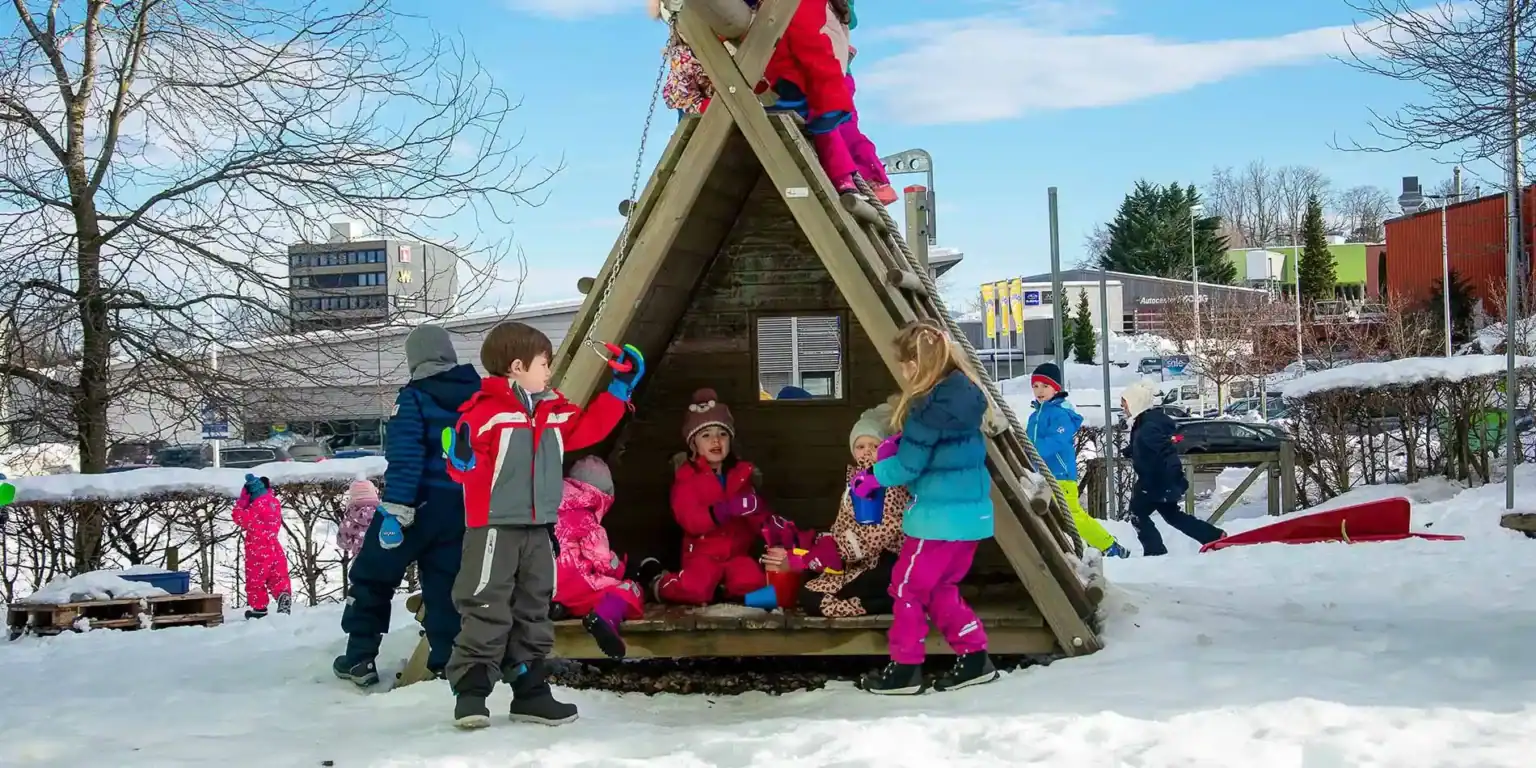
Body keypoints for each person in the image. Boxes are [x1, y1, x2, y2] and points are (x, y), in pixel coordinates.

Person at [444, 321, 643, 728]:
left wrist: (619, 389)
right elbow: (463, 464)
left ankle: (530, 689)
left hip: (539, 527)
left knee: (534, 606)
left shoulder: (554, 409)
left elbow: (589, 428)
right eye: (544, 363)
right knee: (485, 603)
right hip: (494, 528)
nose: (549, 370)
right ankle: (472, 692)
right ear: (517, 366)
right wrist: (459, 460)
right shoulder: (484, 413)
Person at [850, 320, 999, 694]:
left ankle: (904, 668)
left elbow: (908, 466)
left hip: (936, 520)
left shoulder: (927, 409)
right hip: (971, 519)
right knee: (939, 588)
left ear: (919, 364)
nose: (902, 371)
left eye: (905, 363)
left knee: (906, 588)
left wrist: (872, 477)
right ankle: (974, 656)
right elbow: (939, 447)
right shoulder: (964, 396)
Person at [333, 326, 481, 688]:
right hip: (459, 510)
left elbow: (406, 455)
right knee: (446, 585)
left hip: (413, 506)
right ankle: (448, 661)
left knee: (372, 575)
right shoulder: (479, 396)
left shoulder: (413, 397)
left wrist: (398, 508)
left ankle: (360, 658)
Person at [785, 400, 910, 618]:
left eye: (874, 446)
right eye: (860, 447)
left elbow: (888, 528)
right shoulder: (854, 483)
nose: (867, 453)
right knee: (808, 591)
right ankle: (873, 602)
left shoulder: (890, 482)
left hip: (885, 559)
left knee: (879, 579)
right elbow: (843, 524)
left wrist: (839, 548)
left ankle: (882, 602)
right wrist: (822, 543)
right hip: (856, 561)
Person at [651, 388, 772, 605]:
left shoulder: (742, 475)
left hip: (736, 555)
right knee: (695, 589)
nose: (716, 441)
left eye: (722, 434)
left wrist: (765, 523)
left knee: (754, 582)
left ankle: (723, 591)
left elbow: (756, 518)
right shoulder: (687, 478)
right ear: (693, 444)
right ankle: (660, 583)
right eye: (706, 435)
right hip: (702, 556)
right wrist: (721, 511)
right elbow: (690, 519)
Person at [1026, 363, 1130, 558]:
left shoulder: (1060, 414)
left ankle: (1109, 545)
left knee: (1072, 515)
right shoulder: (1035, 416)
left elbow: (1056, 440)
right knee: (1059, 515)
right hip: (1043, 473)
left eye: (1044, 386)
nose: (1039, 391)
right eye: (1035, 386)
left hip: (1061, 473)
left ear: (1056, 388)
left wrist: (1031, 451)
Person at [552, 456, 646, 660]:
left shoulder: (549, 507)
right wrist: (621, 568)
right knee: (629, 589)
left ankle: (557, 607)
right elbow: (602, 561)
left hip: (541, 586)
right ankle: (606, 617)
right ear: (605, 493)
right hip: (574, 584)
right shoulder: (587, 519)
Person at [1121, 380, 1226, 555]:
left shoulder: (1147, 427)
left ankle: (1155, 551)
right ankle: (1213, 536)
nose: (1123, 407)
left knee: (1138, 513)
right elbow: (1150, 446)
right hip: (1159, 481)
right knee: (1173, 516)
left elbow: (1163, 453)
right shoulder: (1144, 422)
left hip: (1157, 482)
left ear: (1136, 402)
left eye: (1124, 403)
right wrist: (1131, 450)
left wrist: (1167, 483)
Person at [233, 474, 292, 619]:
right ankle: (282, 595)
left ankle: (259, 608)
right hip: (273, 544)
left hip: (257, 547)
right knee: (277, 575)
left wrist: (241, 504)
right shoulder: (274, 503)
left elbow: (239, 518)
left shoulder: (255, 507)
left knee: (255, 578)